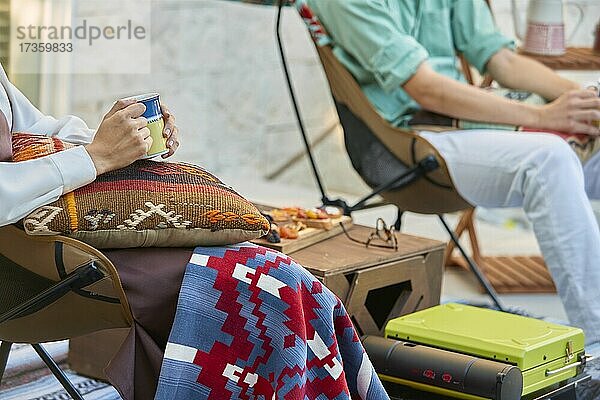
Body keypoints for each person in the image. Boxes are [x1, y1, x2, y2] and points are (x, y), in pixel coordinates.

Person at [0, 62, 388, 400]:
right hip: (30, 264)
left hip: (61, 238)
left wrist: (125, 139)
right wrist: (97, 157)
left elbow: (36, 130)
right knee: (271, 289)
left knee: (287, 278)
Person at [305, 0, 600, 356]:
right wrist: (544, 115)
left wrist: (583, 102)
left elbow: (501, 60)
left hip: (467, 123)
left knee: (578, 144)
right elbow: (424, 88)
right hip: (408, 143)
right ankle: (597, 341)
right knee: (549, 160)